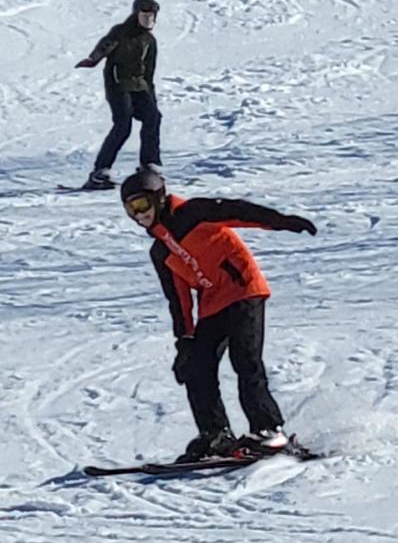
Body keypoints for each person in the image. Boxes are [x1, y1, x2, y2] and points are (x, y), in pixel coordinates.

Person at [118, 167, 317, 460]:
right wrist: (184, 339)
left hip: (243, 289)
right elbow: (178, 298)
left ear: (159, 198)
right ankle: (215, 434)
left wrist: (280, 221)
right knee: (196, 367)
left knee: (245, 360)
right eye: (131, 209)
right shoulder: (160, 251)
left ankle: (268, 430)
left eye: (142, 204)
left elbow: (238, 211)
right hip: (213, 304)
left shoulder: (192, 213)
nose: (139, 214)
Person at [74, 0, 163, 189]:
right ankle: (100, 172)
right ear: (136, 14)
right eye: (144, 15)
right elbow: (105, 46)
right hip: (118, 85)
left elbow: (149, 71)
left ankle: (149, 164)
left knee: (153, 117)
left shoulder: (150, 40)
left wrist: (151, 96)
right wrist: (93, 59)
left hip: (140, 86)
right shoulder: (121, 32)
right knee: (123, 125)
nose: (148, 19)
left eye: (151, 16)